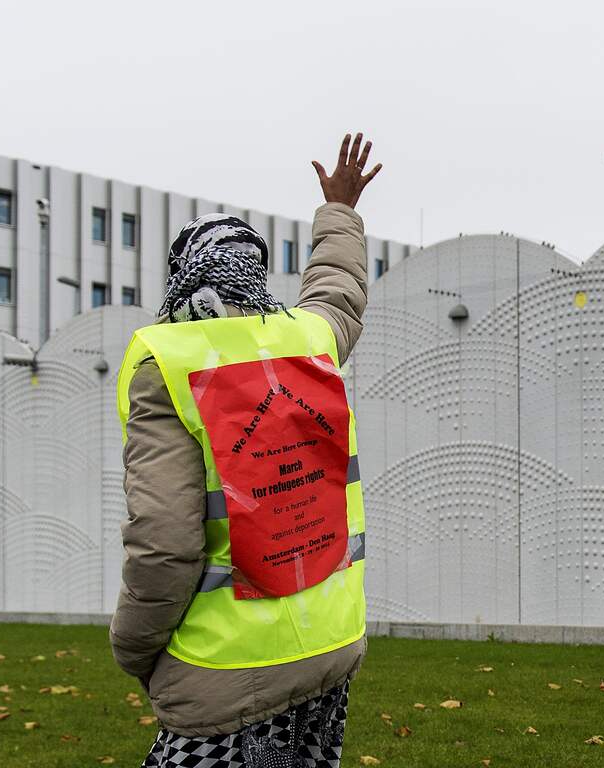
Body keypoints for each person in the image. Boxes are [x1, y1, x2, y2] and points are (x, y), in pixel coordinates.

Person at [111, 133, 382, 768]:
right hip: (330, 647)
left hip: (223, 668)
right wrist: (339, 209)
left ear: (184, 276)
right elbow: (337, 292)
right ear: (255, 271)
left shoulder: (167, 362)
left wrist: (133, 648)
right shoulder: (308, 342)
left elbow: (165, 543)